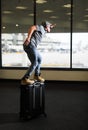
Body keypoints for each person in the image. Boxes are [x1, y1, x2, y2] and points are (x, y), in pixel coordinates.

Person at [21, 21, 56, 85]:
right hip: (30, 45)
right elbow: (32, 27)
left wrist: (51, 26)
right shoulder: (41, 28)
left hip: (33, 46)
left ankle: (36, 76)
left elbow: (48, 28)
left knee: (39, 59)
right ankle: (25, 79)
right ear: (46, 26)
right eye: (50, 27)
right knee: (35, 62)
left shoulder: (44, 30)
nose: (50, 29)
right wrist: (28, 38)